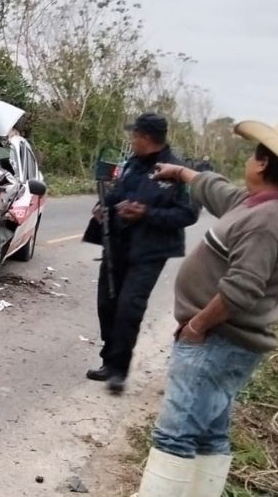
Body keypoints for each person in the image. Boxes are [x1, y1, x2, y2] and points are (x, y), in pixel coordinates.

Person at [133, 119, 278, 497]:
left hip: (217, 342)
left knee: (175, 435)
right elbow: (219, 190)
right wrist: (182, 173)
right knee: (209, 435)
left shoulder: (267, 221)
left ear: (261, 164)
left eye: (251, 154)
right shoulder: (261, 205)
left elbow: (242, 290)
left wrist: (196, 326)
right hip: (227, 344)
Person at [83, 113, 200, 394]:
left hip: (150, 251)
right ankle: (109, 361)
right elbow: (115, 194)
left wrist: (146, 213)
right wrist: (103, 207)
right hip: (117, 244)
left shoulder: (176, 171)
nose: (131, 140)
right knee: (107, 304)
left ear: (146, 137)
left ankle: (118, 372)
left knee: (129, 307)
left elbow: (189, 214)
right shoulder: (131, 165)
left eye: (134, 135)